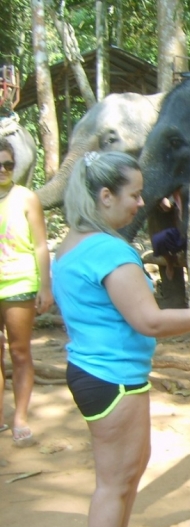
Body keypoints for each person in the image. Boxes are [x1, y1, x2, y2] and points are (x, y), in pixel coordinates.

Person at [51, 151, 190, 527]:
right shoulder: (110, 251)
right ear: (104, 196)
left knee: (129, 473)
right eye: (134, 194)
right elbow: (150, 321)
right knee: (115, 481)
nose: (141, 203)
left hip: (101, 373)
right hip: (111, 378)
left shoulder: (72, 243)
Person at [0, 135, 53, 447]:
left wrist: (46, 286)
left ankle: (19, 417)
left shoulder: (26, 198)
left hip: (20, 283)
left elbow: (41, 244)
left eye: (9, 164)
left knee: (19, 352)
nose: (4, 169)